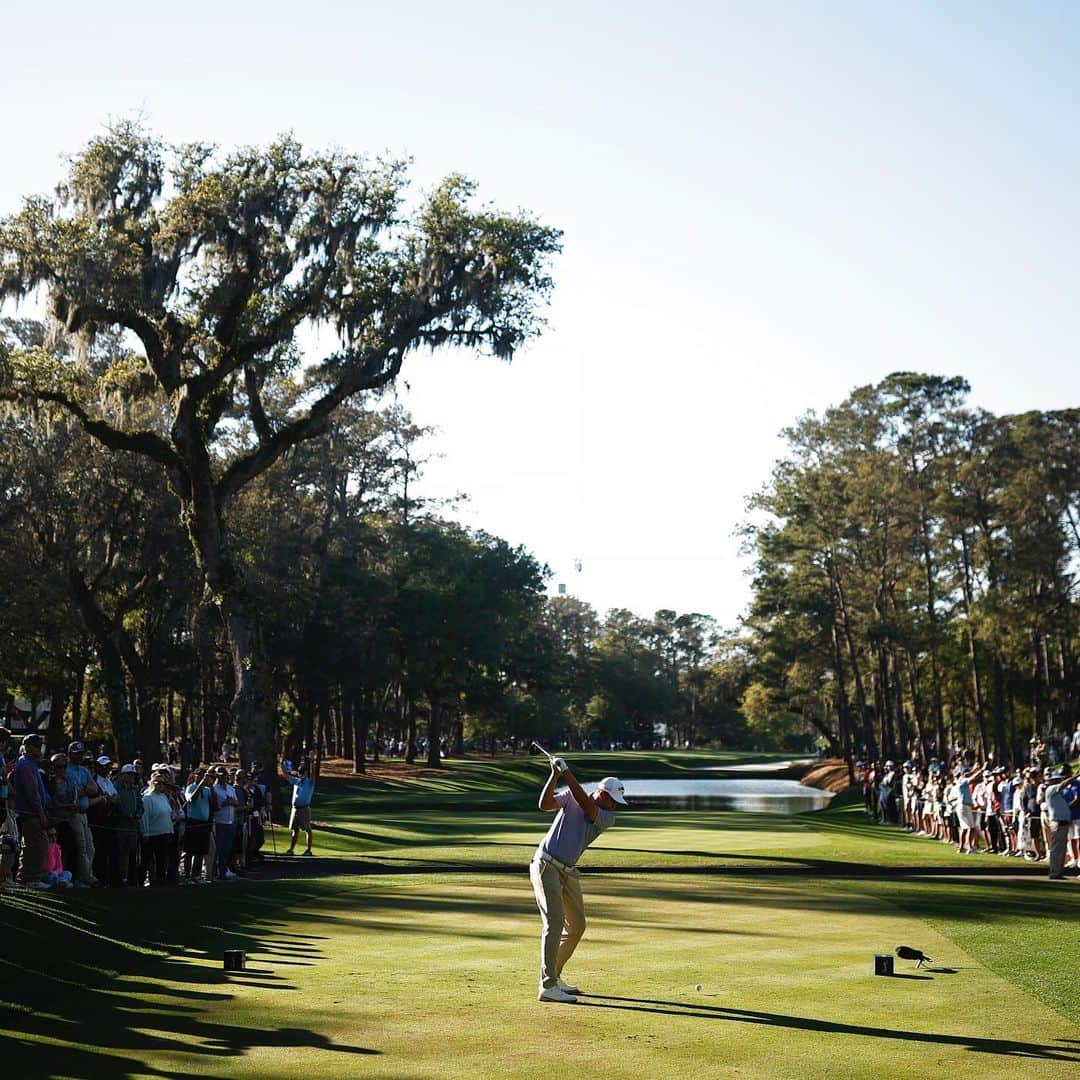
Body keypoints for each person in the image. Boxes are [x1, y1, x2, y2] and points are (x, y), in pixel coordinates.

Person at [530, 756, 627, 1004]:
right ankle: (547, 985)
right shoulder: (573, 795)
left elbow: (586, 805)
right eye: (613, 801)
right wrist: (555, 775)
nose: (615, 807)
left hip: (569, 870)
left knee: (577, 925)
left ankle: (555, 974)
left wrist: (568, 773)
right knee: (554, 922)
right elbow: (544, 804)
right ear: (602, 793)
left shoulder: (605, 817)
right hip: (546, 864)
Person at [13, 734, 50, 888]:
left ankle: (24, 877)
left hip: (32, 812)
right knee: (39, 844)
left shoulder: (30, 763)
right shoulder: (26, 765)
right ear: (28, 747)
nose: (39, 749)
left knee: (31, 845)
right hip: (31, 813)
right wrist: (41, 814)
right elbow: (32, 793)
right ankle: (32, 879)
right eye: (37, 746)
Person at [1044, 766, 1075, 880]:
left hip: (1062, 823)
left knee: (1060, 849)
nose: (1060, 780)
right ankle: (1054, 872)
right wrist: (1075, 776)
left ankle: (1057, 871)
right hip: (1058, 823)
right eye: (1057, 779)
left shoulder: (1056, 793)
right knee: (1057, 849)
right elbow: (1064, 784)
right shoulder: (1051, 789)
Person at [282, 758, 317, 857]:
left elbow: (313, 773)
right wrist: (281, 764)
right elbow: (286, 776)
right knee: (294, 829)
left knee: (307, 829)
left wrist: (312, 762)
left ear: (305, 773)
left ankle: (309, 850)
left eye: (302, 772)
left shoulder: (309, 783)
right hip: (295, 808)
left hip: (304, 808)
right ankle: (291, 849)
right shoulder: (296, 781)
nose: (300, 774)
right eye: (299, 772)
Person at [210, 766, 239, 880]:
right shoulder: (214, 789)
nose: (223, 778)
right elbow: (215, 806)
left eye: (224, 775)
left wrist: (232, 802)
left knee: (227, 848)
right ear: (216, 776)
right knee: (218, 848)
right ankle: (215, 871)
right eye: (220, 776)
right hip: (219, 821)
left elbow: (236, 802)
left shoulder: (231, 788)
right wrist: (225, 803)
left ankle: (223, 870)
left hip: (230, 821)